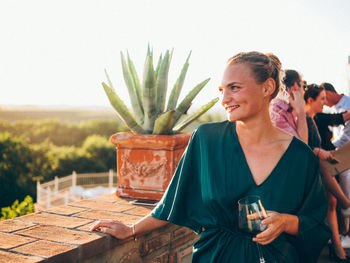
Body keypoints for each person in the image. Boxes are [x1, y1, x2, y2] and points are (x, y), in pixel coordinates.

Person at [90, 51, 330, 263]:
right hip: (215, 256)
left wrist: (285, 222)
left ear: (267, 88)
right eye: (221, 90)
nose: (224, 99)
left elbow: (316, 224)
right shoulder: (207, 140)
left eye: (234, 88)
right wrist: (132, 229)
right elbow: (174, 201)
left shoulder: (301, 157)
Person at [304, 84, 350, 262]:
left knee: (331, 203)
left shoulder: (319, 117)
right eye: (321, 99)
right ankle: (346, 205)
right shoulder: (304, 120)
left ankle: (337, 248)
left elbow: (340, 117)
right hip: (318, 170)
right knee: (329, 203)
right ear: (310, 101)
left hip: (330, 165)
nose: (325, 103)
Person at [269, 69, 308, 143]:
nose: (304, 92)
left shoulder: (287, 110)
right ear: (296, 86)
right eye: (304, 87)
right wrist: (301, 112)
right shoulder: (277, 113)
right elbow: (301, 147)